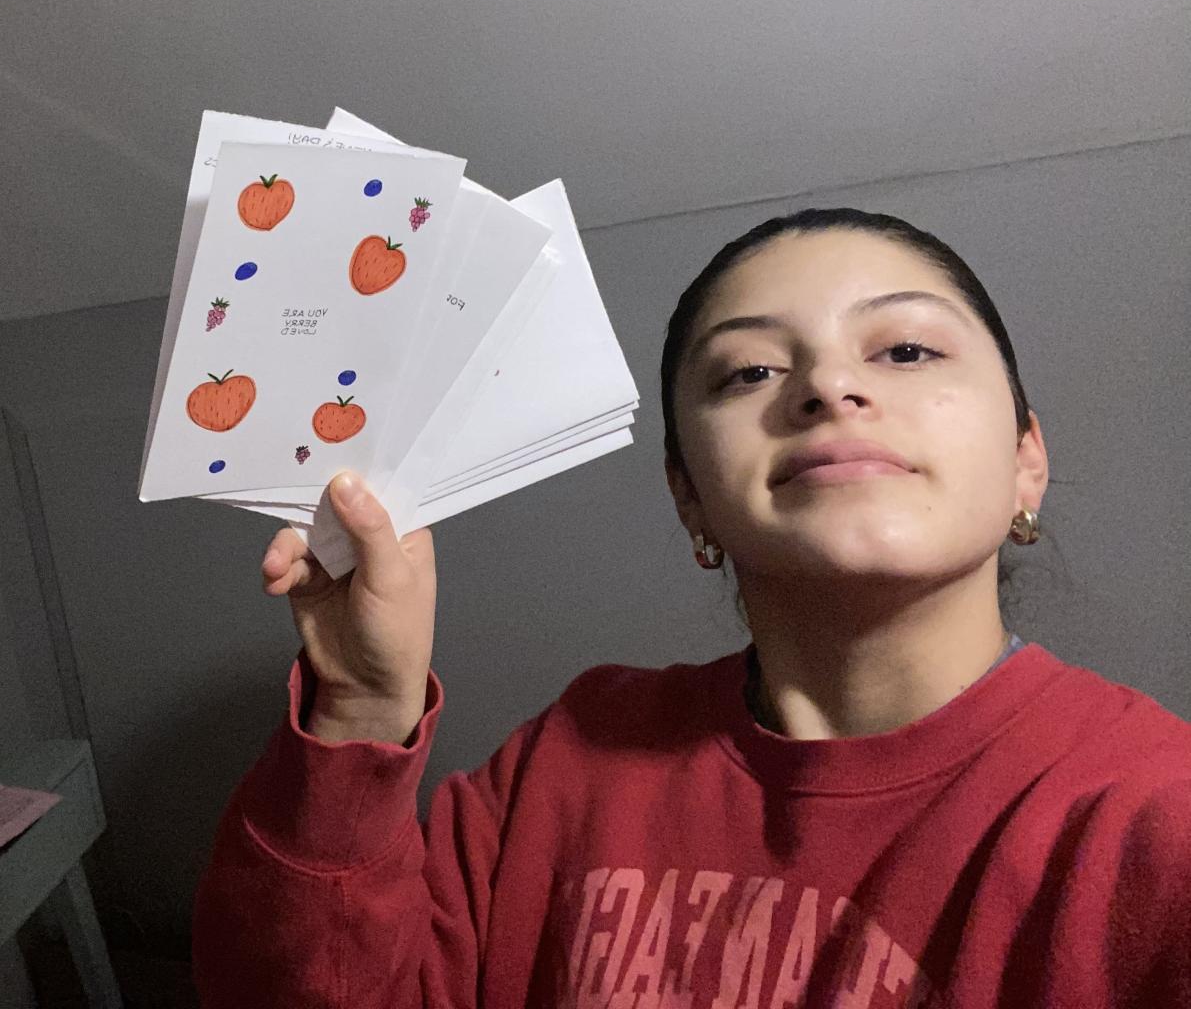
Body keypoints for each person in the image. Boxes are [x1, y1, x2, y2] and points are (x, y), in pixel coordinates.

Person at [191, 208, 1191, 1007]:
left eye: (906, 351)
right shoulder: (568, 758)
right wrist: (362, 705)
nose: (828, 386)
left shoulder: (1151, 818)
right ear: (690, 497)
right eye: (750, 371)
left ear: (1025, 459)